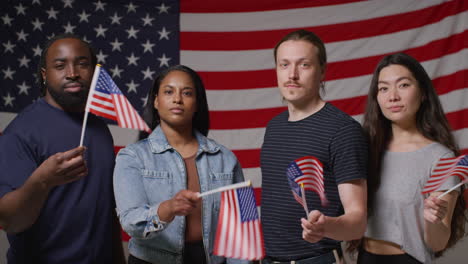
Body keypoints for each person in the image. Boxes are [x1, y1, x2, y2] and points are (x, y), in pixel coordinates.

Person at [0, 34, 125, 263]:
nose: (72, 73)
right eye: (60, 65)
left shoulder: (99, 128)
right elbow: (10, 220)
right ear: (45, 75)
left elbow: (107, 211)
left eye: (82, 64)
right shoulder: (20, 133)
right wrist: (42, 181)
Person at [113, 65, 251, 264]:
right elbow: (130, 222)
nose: (177, 99)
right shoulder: (132, 157)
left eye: (187, 93)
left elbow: (241, 227)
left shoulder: (226, 159)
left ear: (196, 104)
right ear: (156, 101)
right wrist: (168, 208)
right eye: (168, 92)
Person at [260, 29, 368, 263]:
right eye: (284, 65)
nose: (292, 75)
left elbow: (357, 222)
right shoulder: (274, 127)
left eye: (304, 65)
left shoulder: (343, 130)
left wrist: (326, 227)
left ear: (322, 71)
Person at [358, 53, 466, 263]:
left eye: (404, 85)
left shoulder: (441, 157)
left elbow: (437, 243)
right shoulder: (365, 149)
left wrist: (433, 220)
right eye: (383, 88)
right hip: (364, 257)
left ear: (423, 92)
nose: (393, 97)